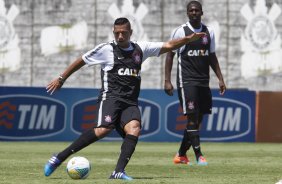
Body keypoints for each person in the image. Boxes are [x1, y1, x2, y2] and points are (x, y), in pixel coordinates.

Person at [44, 17, 206, 180]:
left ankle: (118, 172)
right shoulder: (106, 49)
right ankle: (58, 158)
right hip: (111, 98)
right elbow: (82, 60)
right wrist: (61, 78)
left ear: (131, 32)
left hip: (130, 102)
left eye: (124, 33)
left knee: (134, 128)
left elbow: (169, 45)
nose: (120, 36)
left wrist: (187, 39)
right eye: (117, 33)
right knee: (103, 130)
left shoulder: (141, 49)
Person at [164, 1, 226, 166]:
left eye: (196, 10)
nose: (194, 13)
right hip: (186, 81)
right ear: (187, 13)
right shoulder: (180, 31)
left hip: (203, 82)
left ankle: (181, 154)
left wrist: (220, 78)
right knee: (192, 118)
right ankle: (199, 156)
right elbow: (170, 54)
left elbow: (212, 56)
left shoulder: (208, 32)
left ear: (201, 12)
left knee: (198, 120)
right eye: (191, 10)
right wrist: (167, 80)